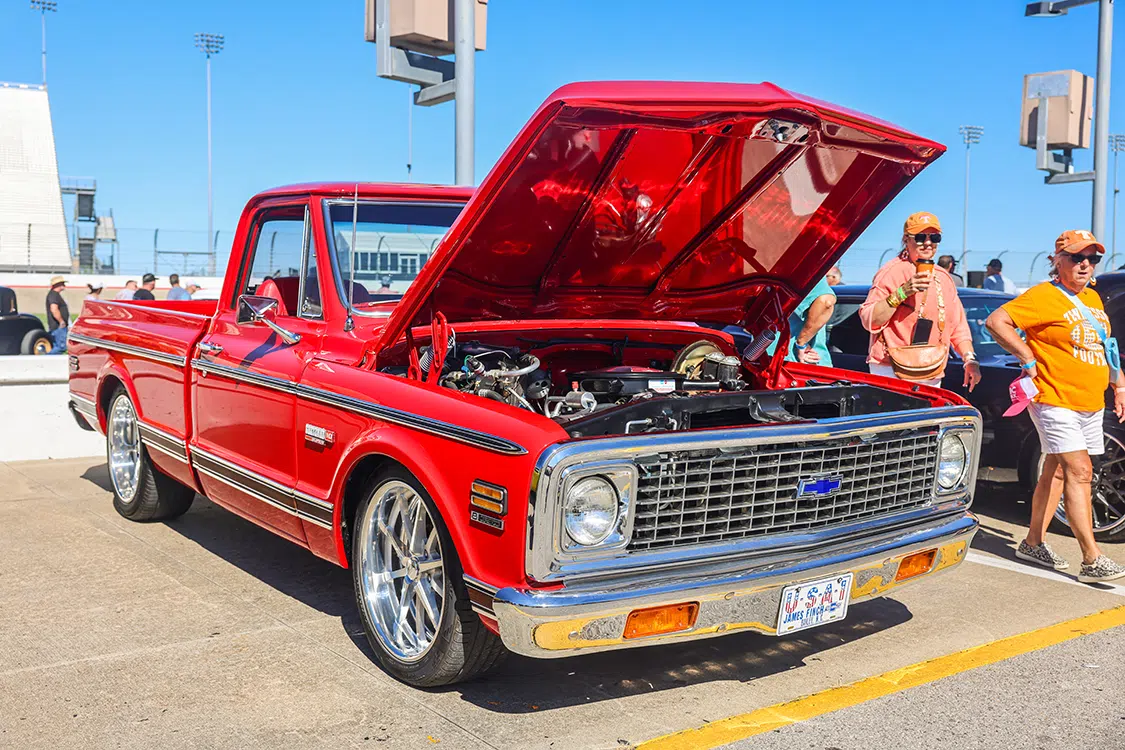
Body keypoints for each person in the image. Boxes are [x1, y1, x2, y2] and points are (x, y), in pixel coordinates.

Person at [985, 230, 1125, 583]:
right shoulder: (1043, 296)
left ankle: (1033, 542)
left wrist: (1119, 384)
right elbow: (997, 321)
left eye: (1092, 259)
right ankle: (1092, 558)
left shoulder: (1092, 298)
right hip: (1054, 398)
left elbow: (1103, 346)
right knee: (1080, 471)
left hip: (1089, 400)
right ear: (1057, 260)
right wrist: (1026, 357)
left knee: (1057, 470)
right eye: (1077, 258)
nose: (1085, 265)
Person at [858, 211, 982, 390]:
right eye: (920, 237)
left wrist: (969, 359)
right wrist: (902, 292)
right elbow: (869, 320)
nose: (928, 243)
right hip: (890, 369)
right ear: (906, 239)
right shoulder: (891, 272)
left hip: (931, 368)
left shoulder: (943, 277)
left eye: (935, 237)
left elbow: (958, 326)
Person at [45, 276, 69, 353]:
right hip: (58, 326)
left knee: (57, 346)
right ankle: (45, 359)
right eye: (62, 283)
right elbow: (54, 309)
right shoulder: (54, 295)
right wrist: (61, 321)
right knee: (61, 347)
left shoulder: (54, 295)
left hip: (58, 326)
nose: (64, 285)